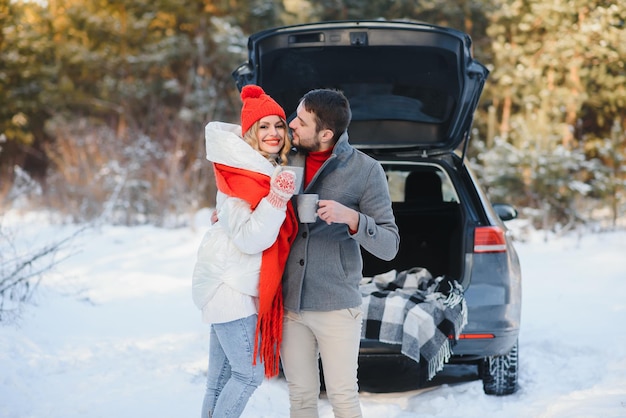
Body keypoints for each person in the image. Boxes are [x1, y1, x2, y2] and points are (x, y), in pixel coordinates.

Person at [280, 88, 400, 418]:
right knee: (300, 396)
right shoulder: (285, 159)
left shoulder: (366, 171)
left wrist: (352, 219)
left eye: (301, 122)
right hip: (291, 304)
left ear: (326, 133)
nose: (292, 124)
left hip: (336, 306)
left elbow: (389, 245)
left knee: (342, 396)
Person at [192, 84, 299, 418]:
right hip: (230, 285)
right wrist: (277, 200)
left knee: (221, 378)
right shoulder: (243, 175)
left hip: (232, 280)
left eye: (279, 125)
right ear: (250, 131)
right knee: (248, 374)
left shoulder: (257, 168)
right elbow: (251, 240)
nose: (273, 133)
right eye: (263, 126)